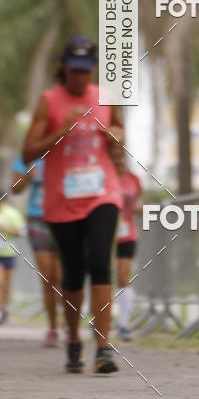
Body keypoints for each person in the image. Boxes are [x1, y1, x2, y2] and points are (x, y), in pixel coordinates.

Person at [22, 35, 124, 373]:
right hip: (61, 200)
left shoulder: (105, 98)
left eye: (85, 70)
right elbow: (28, 152)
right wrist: (62, 130)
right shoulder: (48, 101)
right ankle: (74, 339)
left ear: (93, 69)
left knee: (100, 263)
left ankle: (104, 348)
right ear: (63, 67)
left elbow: (119, 132)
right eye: (74, 70)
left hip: (102, 193)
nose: (79, 77)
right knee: (73, 273)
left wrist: (117, 138)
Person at [12, 154, 63, 345]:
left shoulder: (64, 150)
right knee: (48, 277)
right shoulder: (28, 155)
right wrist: (27, 176)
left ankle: (68, 323)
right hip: (37, 219)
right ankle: (53, 328)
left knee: (63, 277)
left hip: (64, 217)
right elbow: (15, 188)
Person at [113, 151, 142, 340]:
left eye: (121, 156)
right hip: (105, 233)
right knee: (102, 278)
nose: (119, 159)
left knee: (123, 278)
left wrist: (140, 208)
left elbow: (138, 203)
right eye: (115, 156)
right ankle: (99, 321)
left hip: (127, 233)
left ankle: (123, 325)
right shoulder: (105, 175)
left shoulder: (133, 179)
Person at [0, 192, 26, 324]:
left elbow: (22, 232)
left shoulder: (12, 213)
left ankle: (3, 308)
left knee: (6, 285)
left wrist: (5, 228)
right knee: (0, 282)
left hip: (8, 253)